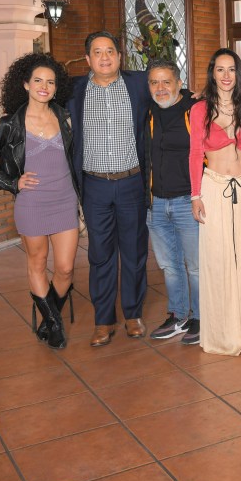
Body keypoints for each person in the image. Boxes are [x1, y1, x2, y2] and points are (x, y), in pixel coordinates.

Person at [0, 53, 78, 350]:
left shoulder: (65, 117)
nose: (44, 87)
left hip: (64, 199)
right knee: (38, 262)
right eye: (38, 81)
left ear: (57, 88)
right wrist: (12, 183)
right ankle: (54, 324)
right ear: (25, 84)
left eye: (50, 82)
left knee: (65, 268)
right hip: (31, 202)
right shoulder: (10, 124)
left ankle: (48, 318)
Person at [67, 31, 149, 347]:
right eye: (98, 52)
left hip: (131, 182)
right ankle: (103, 320)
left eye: (110, 51)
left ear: (119, 56)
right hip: (94, 185)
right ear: (88, 59)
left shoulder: (138, 84)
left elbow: (170, 89)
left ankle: (133, 314)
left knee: (134, 252)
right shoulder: (73, 90)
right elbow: (38, 101)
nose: (105, 57)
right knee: (100, 255)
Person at [189, 48, 241, 356]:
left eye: (231, 69)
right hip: (214, 187)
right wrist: (195, 195)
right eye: (220, 69)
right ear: (212, 73)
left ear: (238, 74)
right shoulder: (199, 109)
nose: (226, 75)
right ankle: (223, 334)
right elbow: (195, 154)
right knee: (218, 260)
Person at [145, 59, 201, 345]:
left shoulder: (195, 109)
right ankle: (178, 315)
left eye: (166, 81)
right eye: (154, 82)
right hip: (156, 203)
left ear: (179, 83)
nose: (160, 87)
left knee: (195, 265)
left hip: (187, 202)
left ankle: (200, 318)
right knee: (169, 265)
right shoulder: (147, 111)